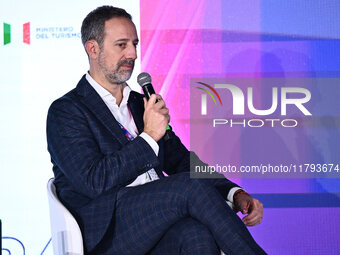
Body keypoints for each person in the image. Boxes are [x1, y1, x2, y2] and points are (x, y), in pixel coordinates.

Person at [46, 5, 266, 255]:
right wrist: (149, 137)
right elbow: (94, 181)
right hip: (106, 232)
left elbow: (182, 162)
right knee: (189, 188)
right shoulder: (66, 111)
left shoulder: (142, 104)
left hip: (152, 226)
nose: (133, 54)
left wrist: (233, 192)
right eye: (121, 45)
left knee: (196, 235)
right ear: (93, 49)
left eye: (135, 44)